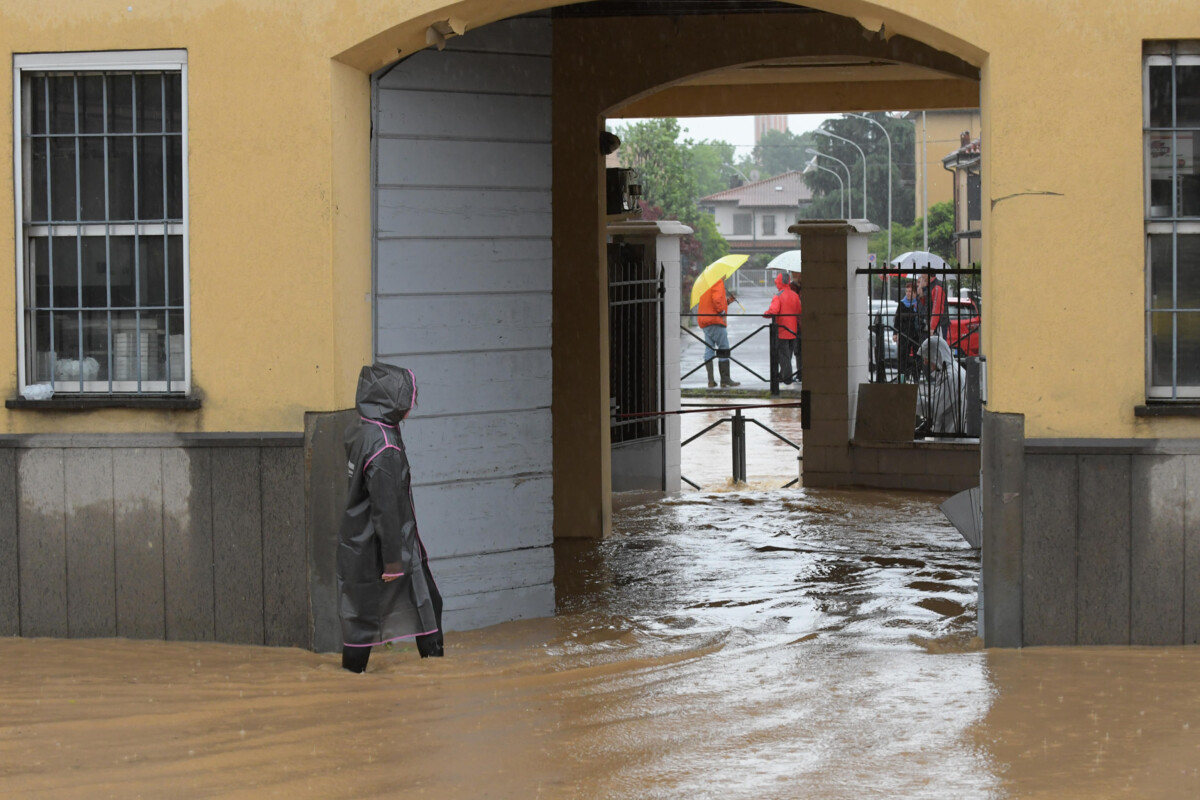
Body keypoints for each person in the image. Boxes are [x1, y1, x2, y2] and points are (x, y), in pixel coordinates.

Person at [338, 363, 444, 673]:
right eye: (407, 397)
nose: (411, 403)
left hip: (359, 543)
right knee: (428, 606)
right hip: (387, 545)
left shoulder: (364, 429)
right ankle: (436, 678)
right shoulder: (384, 445)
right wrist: (394, 561)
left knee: (361, 620)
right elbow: (386, 506)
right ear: (391, 400)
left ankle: (348, 685)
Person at [915, 335, 967, 435]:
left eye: (927, 357)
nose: (925, 362)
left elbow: (936, 408)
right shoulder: (950, 371)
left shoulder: (952, 376)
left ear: (937, 354)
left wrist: (913, 401)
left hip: (950, 434)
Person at [698, 277, 740, 388]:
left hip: (705, 321)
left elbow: (711, 303)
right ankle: (725, 379)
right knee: (724, 348)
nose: (726, 276)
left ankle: (711, 381)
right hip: (715, 320)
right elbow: (716, 300)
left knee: (709, 349)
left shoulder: (706, 284)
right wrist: (722, 311)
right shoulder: (717, 281)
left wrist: (727, 302)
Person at [763, 271, 802, 384]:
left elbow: (773, 311)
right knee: (788, 354)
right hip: (793, 330)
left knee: (783, 355)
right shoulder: (795, 295)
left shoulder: (778, 296)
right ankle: (785, 375)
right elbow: (799, 311)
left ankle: (787, 378)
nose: (776, 284)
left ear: (780, 282)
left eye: (777, 282)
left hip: (782, 330)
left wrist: (766, 313)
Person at [892, 280, 921, 383]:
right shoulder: (902, 303)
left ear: (915, 292)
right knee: (903, 356)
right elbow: (897, 319)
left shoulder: (918, 304)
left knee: (917, 356)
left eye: (910, 291)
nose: (908, 293)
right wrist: (895, 333)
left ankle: (916, 377)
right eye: (907, 291)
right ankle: (903, 378)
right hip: (904, 333)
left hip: (916, 334)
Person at [917, 272, 948, 341]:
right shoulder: (930, 286)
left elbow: (937, 308)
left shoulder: (937, 286)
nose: (921, 276)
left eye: (923, 273)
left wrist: (932, 327)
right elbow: (928, 304)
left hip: (939, 325)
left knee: (938, 348)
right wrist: (921, 294)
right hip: (933, 324)